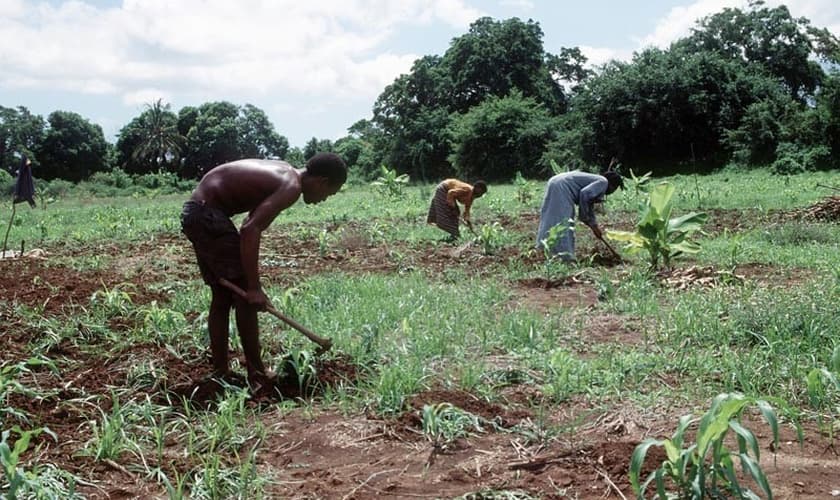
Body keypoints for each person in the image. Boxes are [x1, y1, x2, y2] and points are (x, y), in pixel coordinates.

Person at [180, 153, 347, 388]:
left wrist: (250, 285)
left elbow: (250, 223)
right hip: (207, 215)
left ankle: (221, 372)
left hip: (198, 212)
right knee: (244, 298)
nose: (324, 200)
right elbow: (250, 229)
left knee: (223, 295)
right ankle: (257, 374)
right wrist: (254, 287)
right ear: (323, 182)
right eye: (329, 194)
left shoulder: (286, 174)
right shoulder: (291, 186)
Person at [535, 166, 623, 261]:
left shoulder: (596, 180)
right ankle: (564, 257)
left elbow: (589, 205)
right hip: (562, 187)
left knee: (551, 218)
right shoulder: (603, 182)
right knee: (564, 222)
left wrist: (594, 225)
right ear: (613, 185)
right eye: (615, 189)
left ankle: (544, 249)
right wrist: (584, 217)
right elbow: (584, 194)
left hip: (554, 182)